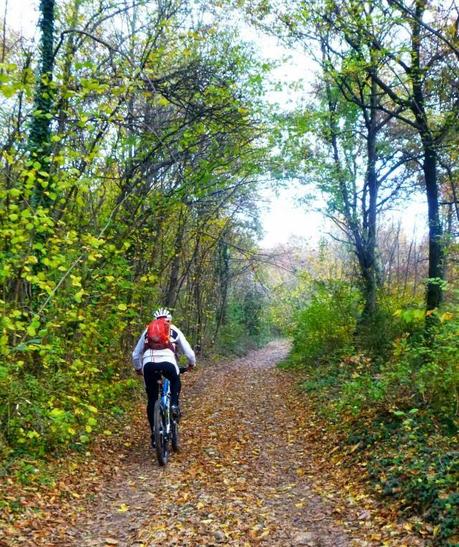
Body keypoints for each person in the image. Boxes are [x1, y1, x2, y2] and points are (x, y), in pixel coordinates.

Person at [132, 308, 196, 448]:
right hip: (169, 363)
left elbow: (135, 355)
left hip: (148, 365)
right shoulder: (173, 329)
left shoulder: (147, 331)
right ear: (169, 320)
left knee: (152, 399)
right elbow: (189, 352)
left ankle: (155, 435)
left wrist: (138, 369)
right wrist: (191, 364)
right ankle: (173, 405)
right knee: (175, 380)